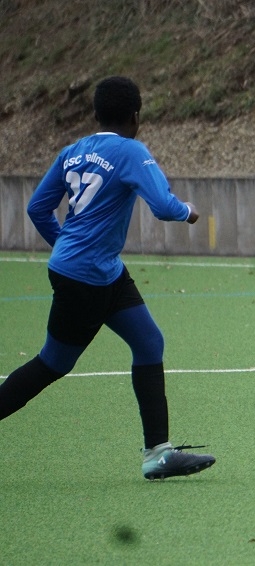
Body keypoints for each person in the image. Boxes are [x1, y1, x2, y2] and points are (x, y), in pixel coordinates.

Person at [0, 76, 216, 480]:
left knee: (149, 342)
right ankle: (157, 452)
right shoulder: (131, 151)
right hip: (87, 276)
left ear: (96, 114)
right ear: (136, 116)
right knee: (52, 363)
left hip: (103, 272)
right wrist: (188, 211)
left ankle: (158, 453)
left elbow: (37, 208)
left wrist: (66, 246)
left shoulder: (73, 151)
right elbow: (163, 206)